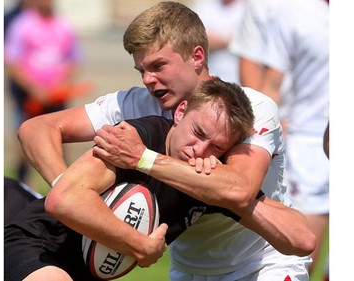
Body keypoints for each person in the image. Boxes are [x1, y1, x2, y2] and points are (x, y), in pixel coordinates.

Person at [17, 2, 314, 280]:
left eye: (158, 66)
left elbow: (239, 189)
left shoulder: (249, 108)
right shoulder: (138, 103)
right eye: (141, 70)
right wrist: (69, 190)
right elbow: (37, 129)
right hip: (191, 268)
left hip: (261, 264)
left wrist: (142, 158)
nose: (147, 79)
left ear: (197, 57)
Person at [6, 77, 262, 280]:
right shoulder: (136, 138)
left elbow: (300, 239)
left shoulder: (206, 178)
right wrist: (140, 245)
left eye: (216, 147)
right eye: (198, 132)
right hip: (38, 245)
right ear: (181, 112)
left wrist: (231, 183)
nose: (200, 149)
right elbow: (62, 200)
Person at [230, 0, 329, 278]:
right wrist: (262, 129)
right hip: (308, 148)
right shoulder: (295, 12)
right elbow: (268, 85)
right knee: (303, 257)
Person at [4, 0, 82, 183]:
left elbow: (74, 60)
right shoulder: (22, 24)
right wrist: (34, 88)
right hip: (28, 96)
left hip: (56, 95)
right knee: (25, 140)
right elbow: (12, 61)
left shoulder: (63, 25)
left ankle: (66, 186)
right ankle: (22, 185)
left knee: (61, 141)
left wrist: (59, 85)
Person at [190, 0, 245, 83]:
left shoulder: (248, 8)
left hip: (237, 79)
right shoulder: (205, 5)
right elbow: (195, 39)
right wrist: (227, 40)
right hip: (209, 78)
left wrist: (215, 39)